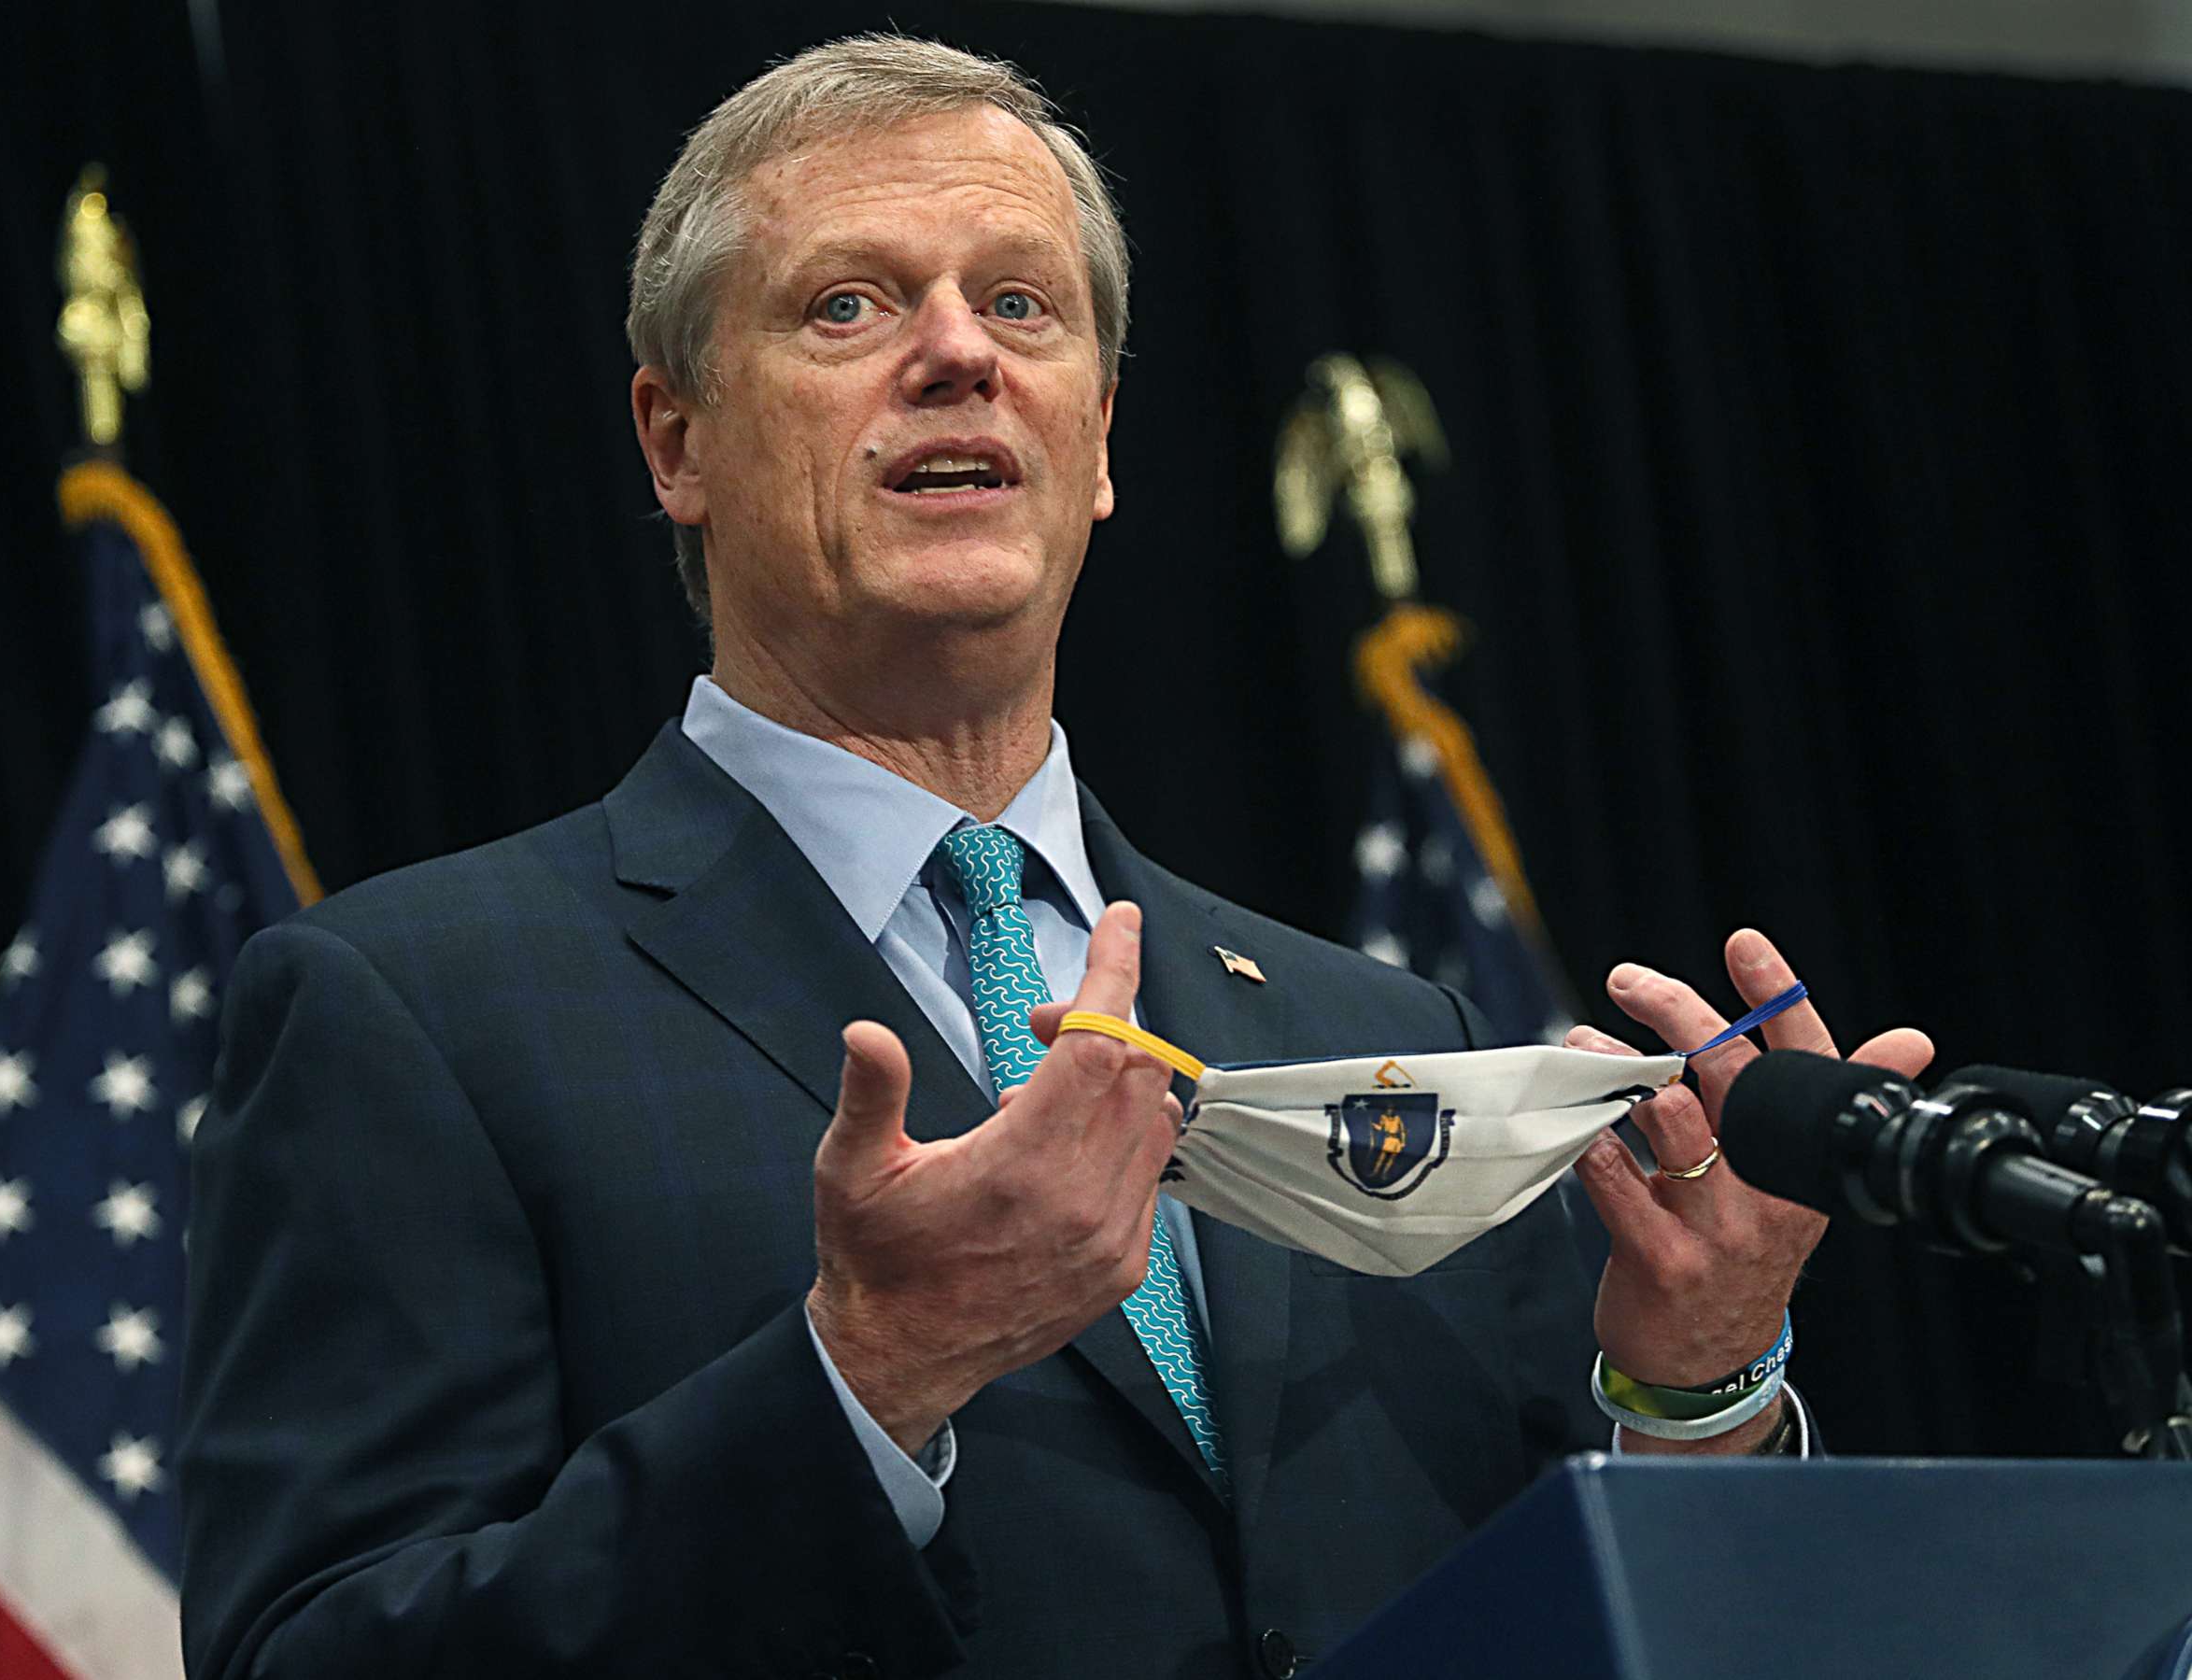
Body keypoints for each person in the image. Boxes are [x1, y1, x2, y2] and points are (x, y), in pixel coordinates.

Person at [176, 35, 1933, 1679]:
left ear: (1095, 443)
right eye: (849, 304)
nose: (961, 353)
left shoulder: (1373, 1020)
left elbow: (1574, 1606)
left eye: (1023, 303)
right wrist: (864, 1382)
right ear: (676, 441)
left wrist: (1694, 1390)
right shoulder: (416, 1008)